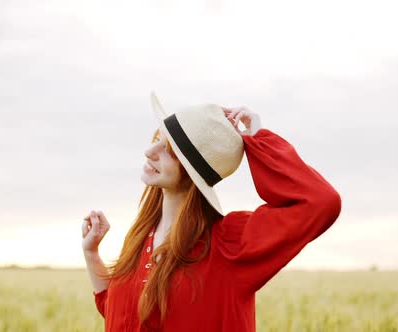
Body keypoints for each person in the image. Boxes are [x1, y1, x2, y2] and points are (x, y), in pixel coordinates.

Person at [81, 92, 342, 331]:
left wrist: (258, 138)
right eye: (156, 139)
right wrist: (91, 253)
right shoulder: (141, 236)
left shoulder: (230, 245)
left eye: (168, 151)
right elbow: (121, 316)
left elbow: (321, 202)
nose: (149, 152)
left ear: (192, 173)